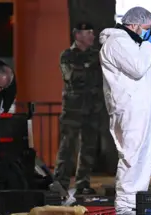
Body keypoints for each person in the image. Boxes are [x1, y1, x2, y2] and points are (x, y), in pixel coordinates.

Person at [99, 7, 151, 215]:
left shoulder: (133, 43)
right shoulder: (117, 41)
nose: (147, 32)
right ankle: (125, 205)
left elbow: (148, 64)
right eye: (147, 28)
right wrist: (148, 44)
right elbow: (137, 67)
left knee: (143, 156)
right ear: (135, 25)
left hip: (142, 108)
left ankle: (135, 202)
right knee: (131, 155)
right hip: (129, 108)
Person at [53, 22, 104, 196]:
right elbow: (72, 76)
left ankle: (83, 183)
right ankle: (60, 183)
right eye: (88, 32)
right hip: (73, 110)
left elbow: (103, 77)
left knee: (88, 148)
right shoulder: (67, 55)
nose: (93, 36)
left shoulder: (98, 55)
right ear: (78, 35)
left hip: (93, 108)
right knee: (67, 147)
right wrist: (89, 68)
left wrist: (84, 70)